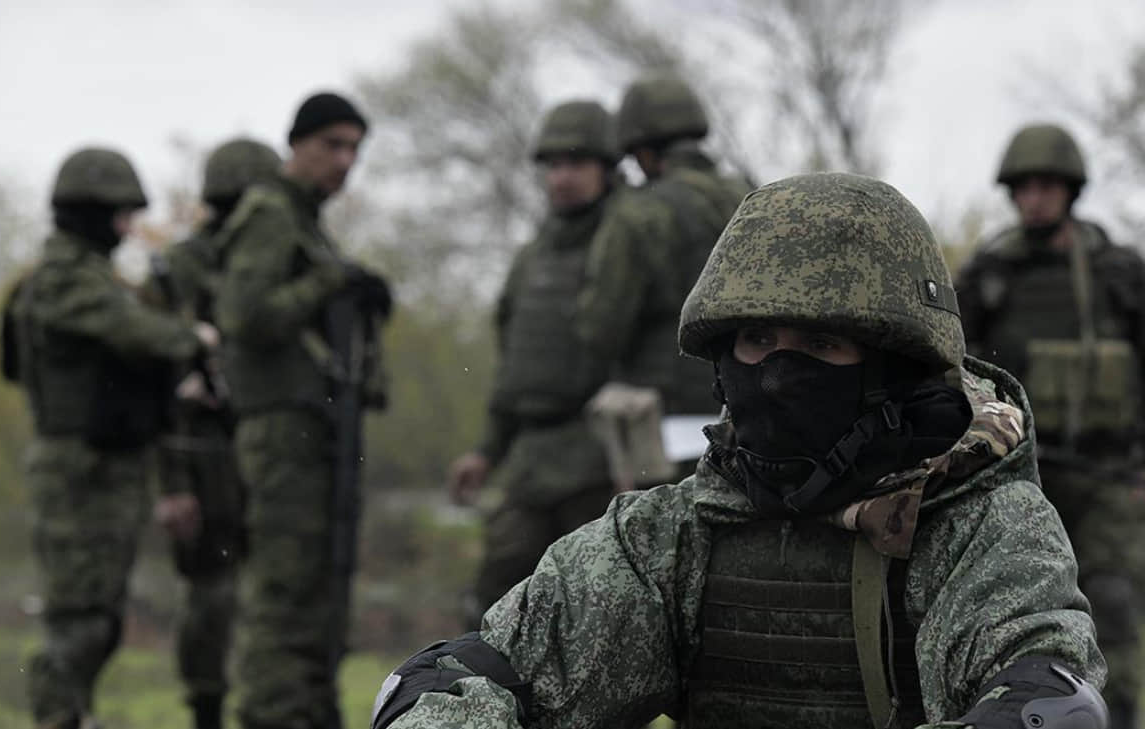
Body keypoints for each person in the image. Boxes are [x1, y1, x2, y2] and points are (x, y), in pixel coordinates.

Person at [371, 173, 1107, 729]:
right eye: (756, 340)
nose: (779, 376)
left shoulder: (985, 527)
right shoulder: (670, 538)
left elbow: (1044, 698)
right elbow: (472, 675)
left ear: (896, 368)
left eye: (821, 343)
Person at [955, 123, 1145, 729]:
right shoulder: (989, 274)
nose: (1034, 199)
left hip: (1109, 474)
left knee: (1110, 604)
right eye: (1024, 188)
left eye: (1047, 186)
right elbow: (952, 371)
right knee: (1013, 613)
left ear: (1070, 191)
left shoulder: (1119, 272)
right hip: (1020, 477)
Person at [3, 147, 217, 729]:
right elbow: (136, 331)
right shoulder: (63, 279)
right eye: (119, 215)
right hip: (78, 470)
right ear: (87, 212)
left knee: (101, 616)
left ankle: (74, 715)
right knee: (78, 619)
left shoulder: (94, 277)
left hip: (107, 466)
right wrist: (193, 337)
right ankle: (58, 717)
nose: (126, 229)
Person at [215, 92, 390, 729]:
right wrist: (331, 280)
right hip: (282, 427)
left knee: (320, 587)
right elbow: (245, 315)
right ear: (297, 144)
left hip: (315, 428)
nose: (344, 161)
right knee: (285, 590)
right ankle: (273, 713)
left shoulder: (305, 221)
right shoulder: (270, 212)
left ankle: (308, 710)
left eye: (354, 150)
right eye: (332, 145)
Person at [446, 100, 624, 626]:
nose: (562, 177)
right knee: (494, 606)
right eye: (554, 165)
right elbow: (516, 366)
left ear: (606, 168)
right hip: (531, 458)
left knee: (596, 613)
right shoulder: (533, 258)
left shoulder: (623, 244)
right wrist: (487, 450)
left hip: (599, 457)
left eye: (577, 163)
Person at [144, 138, 282, 729]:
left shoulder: (276, 257)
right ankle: (206, 708)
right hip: (203, 452)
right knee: (211, 595)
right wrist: (173, 480)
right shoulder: (181, 268)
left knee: (276, 594)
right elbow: (155, 378)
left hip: (272, 445)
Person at [578, 75, 750, 484]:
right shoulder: (751, 197)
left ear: (641, 151)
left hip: (663, 424)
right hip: (750, 412)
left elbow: (601, 328)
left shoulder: (639, 212)